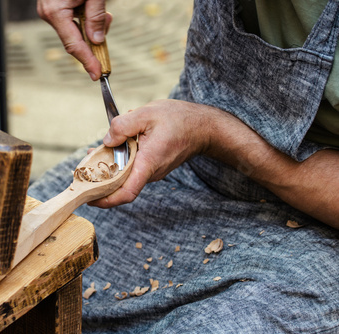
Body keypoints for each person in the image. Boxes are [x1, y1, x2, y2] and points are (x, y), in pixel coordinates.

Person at [29, 0, 339, 332]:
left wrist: (211, 132)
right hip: (187, 156)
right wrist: (200, 131)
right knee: (8, 261)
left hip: (319, 222)